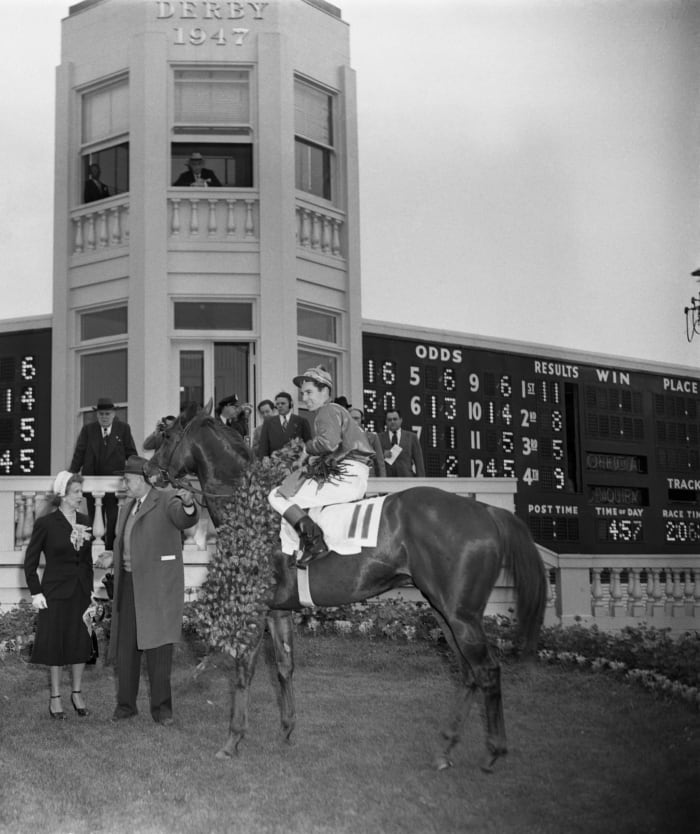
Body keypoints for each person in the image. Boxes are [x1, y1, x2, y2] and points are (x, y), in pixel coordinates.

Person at [96, 456, 199, 725]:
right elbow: (125, 541)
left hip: (157, 587)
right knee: (127, 647)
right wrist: (112, 556)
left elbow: (184, 518)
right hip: (129, 584)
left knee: (159, 650)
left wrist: (188, 504)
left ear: (142, 480)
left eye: (127, 480)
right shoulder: (126, 507)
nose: (124, 485)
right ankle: (126, 706)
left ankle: (162, 710)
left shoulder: (166, 499)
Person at [268, 367, 374, 567]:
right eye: (302, 394)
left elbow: (328, 443)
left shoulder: (327, 410)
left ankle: (314, 543)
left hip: (347, 475)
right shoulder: (336, 412)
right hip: (353, 473)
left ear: (325, 390)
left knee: (276, 495)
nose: (304, 398)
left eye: (309, 392)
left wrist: (305, 450)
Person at [24, 471, 95, 719]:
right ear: (63, 495)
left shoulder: (86, 519)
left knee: (80, 641)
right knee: (56, 643)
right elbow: (30, 563)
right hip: (54, 593)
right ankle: (55, 696)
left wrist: (91, 589)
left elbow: (87, 560)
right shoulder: (46, 524)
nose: (80, 496)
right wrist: (36, 592)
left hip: (81, 593)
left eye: (81, 491)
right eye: (76, 492)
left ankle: (76, 692)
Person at [69, 397, 138, 550]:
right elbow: (79, 454)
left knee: (113, 517)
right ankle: (95, 548)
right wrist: (71, 475)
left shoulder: (123, 429)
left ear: (113, 414)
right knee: (93, 516)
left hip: (114, 484)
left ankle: (110, 549)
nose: (104, 417)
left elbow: (131, 453)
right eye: (101, 414)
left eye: (107, 414)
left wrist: (137, 473)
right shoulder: (88, 430)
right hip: (92, 482)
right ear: (97, 415)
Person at [256, 390, 311, 459]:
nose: (280, 406)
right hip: (274, 463)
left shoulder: (301, 421)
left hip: (295, 463)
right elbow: (263, 445)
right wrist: (265, 458)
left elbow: (308, 444)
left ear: (290, 404)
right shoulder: (268, 422)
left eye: (283, 403)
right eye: (278, 404)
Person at [378, 409, 425, 477]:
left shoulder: (412, 437)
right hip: (387, 480)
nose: (392, 422)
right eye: (389, 420)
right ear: (386, 422)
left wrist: (421, 481)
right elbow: (371, 458)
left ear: (401, 420)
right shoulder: (379, 438)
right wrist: (382, 454)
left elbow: (419, 462)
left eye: (395, 419)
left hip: (407, 479)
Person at [349, 407, 386, 477]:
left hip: (368, 477)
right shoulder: (341, 437)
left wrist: (383, 481)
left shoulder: (372, 437)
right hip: (349, 477)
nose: (354, 421)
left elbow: (380, 463)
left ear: (361, 419)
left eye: (356, 418)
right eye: (351, 418)